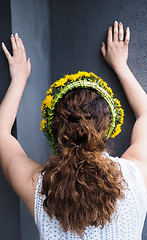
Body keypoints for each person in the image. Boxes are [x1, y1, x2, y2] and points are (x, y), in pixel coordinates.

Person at [0, 21, 146, 240]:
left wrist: (19, 79)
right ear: (106, 129)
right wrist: (121, 66)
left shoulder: (40, 188)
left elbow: (1, 133)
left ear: (55, 130)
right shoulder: (134, 176)